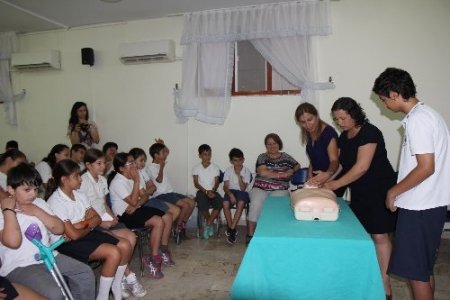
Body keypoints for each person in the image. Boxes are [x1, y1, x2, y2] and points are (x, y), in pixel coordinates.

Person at [372, 67, 450, 300]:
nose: (384, 104)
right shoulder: (425, 116)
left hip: (421, 207)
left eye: (384, 99)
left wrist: (392, 192)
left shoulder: (419, 119)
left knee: (417, 274)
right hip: (426, 205)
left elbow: (426, 167)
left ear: (395, 94)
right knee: (422, 270)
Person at [323, 97, 397, 298]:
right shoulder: (344, 136)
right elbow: (339, 165)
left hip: (380, 189)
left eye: (343, 118)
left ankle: (384, 282)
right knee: (361, 235)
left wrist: (336, 184)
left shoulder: (370, 133)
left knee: (380, 235)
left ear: (354, 114)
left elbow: (361, 167)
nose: (340, 123)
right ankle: (364, 275)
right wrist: (324, 178)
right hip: (359, 192)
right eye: (337, 119)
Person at [0, 163, 96, 300]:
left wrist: (36, 211)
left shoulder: (39, 203)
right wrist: (8, 210)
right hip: (20, 265)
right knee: (55, 293)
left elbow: (59, 229)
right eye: (27, 190)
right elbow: (13, 242)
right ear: (11, 190)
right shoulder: (2, 211)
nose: (33, 194)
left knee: (85, 273)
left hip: (49, 256)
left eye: (35, 189)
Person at [47, 159, 132, 300]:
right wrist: (88, 223)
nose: (81, 179)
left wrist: (82, 224)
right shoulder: (56, 201)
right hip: (65, 243)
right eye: (76, 176)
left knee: (125, 245)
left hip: (86, 233)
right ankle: (102, 297)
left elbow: (97, 218)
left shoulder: (79, 195)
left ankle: (116, 285)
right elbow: (73, 235)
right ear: (64, 179)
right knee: (114, 253)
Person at [79, 148, 147, 298]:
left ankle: (120, 278)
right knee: (121, 243)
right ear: (88, 165)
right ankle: (126, 277)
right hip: (92, 221)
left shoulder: (102, 180)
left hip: (104, 217)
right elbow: (84, 209)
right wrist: (102, 222)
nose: (103, 166)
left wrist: (112, 216)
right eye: (99, 163)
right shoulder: (83, 182)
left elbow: (103, 203)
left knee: (131, 237)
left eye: (104, 163)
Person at [108, 152, 175, 279]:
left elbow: (144, 196)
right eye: (130, 163)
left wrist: (136, 203)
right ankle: (153, 257)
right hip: (123, 215)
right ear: (121, 168)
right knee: (158, 221)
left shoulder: (132, 176)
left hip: (136, 209)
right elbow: (134, 200)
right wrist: (137, 181)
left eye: (134, 162)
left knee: (167, 216)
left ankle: (161, 250)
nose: (134, 165)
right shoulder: (118, 182)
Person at [247, 133, 300, 244]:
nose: (272, 146)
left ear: (278, 143)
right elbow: (262, 172)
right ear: (266, 146)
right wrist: (282, 175)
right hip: (260, 187)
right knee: (256, 203)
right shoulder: (262, 156)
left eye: (274, 143)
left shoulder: (286, 156)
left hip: (280, 188)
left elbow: (297, 165)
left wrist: (291, 171)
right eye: (269, 144)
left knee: (275, 205)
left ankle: (271, 233)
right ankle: (251, 235)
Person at [146, 142, 195, 243]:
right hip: (161, 195)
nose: (165, 154)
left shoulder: (160, 163)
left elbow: (167, 151)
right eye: (162, 152)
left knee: (192, 202)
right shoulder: (150, 168)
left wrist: (161, 144)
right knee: (185, 206)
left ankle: (181, 226)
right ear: (156, 155)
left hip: (170, 192)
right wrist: (162, 167)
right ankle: (177, 230)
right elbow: (158, 180)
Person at [295, 102, 340, 186]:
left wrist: (327, 174)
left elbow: (334, 161)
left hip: (330, 181)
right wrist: (309, 174)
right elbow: (314, 158)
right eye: (303, 122)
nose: (307, 125)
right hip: (317, 181)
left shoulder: (329, 133)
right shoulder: (310, 132)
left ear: (317, 116)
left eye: (310, 119)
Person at [192, 144, 223, 240]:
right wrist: (206, 191)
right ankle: (211, 224)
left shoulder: (215, 167)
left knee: (219, 202)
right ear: (200, 156)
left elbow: (217, 182)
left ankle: (208, 224)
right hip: (202, 191)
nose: (207, 157)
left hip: (213, 190)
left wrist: (212, 191)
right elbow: (196, 183)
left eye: (209, 154)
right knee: (201, 204)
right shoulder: (196, 168)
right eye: (205, 154)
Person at [222, 148, 252, 245]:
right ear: (231, 161)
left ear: (243, 160)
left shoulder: (246, 171)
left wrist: (239, 176)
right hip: (231, 191)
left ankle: (232, 229)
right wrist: (230, 195)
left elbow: (243, 189)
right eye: (235, 160)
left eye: (240, 160)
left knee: (241, 203)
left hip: (242, 192)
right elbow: (225, 187)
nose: (238, 163)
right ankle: (232, 230)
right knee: (225, 203)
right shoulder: (228, 170)